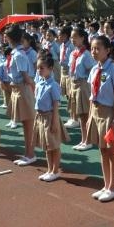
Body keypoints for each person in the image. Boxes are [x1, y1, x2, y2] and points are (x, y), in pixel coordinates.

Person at [87, 35, 114, 202]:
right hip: (96, 112)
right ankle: (106, 184)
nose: (94, 51)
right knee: (102, 150)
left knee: (111, 151)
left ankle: (113, 187)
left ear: (107, 50)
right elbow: (92, 95)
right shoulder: (94, 69)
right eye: (92, 48)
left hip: (108, 113)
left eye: (97, 48)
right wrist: (90, 116)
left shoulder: (113, 70)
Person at [5, 25, 37, 167]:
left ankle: (30, 154)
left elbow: (26, 76)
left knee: (28, 125)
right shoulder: (17, 53)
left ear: (10, 38)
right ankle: (28, 153)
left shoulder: (18, 54)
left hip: (23, 89)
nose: (4, 39)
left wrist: (33, 89)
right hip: (19, 89)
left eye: (6, 36)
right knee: (25, 124)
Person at [33, 52, 68, 181]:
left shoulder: (53, 85)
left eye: (42, 68)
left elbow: (55, 105)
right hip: (41, 117)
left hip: (50, 117)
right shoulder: (39, 83)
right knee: (47, 146)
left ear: (50, 68)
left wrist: (54, 122)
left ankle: (55, 170)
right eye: (38, 68)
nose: (39, 70)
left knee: (54, 145)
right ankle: (49, 169)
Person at [68, 28, 95, 150]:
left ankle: (88, 140)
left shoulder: (86, 55)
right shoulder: (73, 53)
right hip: (74, 84)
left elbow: (92, 71)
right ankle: (83, 139)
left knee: (84, 115)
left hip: (83, 85)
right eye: (71, 37)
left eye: (75, 37)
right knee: (79, 115)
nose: (72, 39)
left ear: (82, 38)